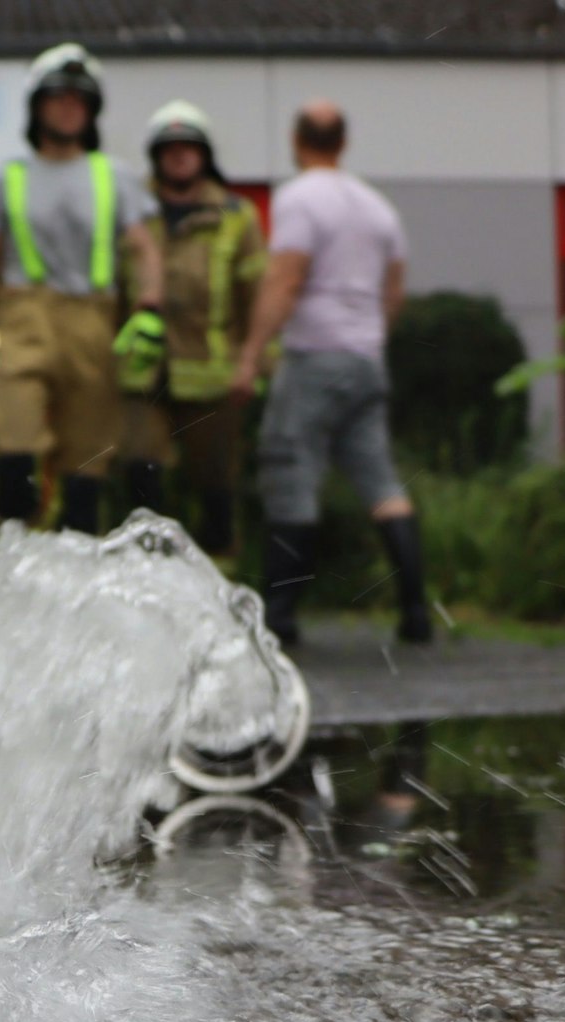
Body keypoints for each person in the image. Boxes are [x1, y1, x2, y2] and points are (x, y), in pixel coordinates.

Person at [234, 100, 431, 646]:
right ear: (343, 143)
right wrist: (368, 338)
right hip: (366, 361)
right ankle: (415, 612)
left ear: (296, 142)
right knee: (382, 482)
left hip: (313, 357)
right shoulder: (378, 207)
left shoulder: (298, 199)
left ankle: (280, 617)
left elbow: (285, 280)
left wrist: (251, 351)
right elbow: (394, 292)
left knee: (290, 472)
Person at [0, 42, 164, 534]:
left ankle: (77, 571)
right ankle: (13, 559)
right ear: (37, 107)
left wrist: (149, 309)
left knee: (87, 460)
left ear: (91, 112)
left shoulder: (113, 176)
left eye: (79, 100)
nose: (69, 107)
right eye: (58, 97)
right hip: (23, 317)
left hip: (92, 321)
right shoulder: (8, 178)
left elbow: (143, 249)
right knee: (14, 442)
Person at [116, 99, 268, 568]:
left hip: (212, 378)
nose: (179, 157)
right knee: (141, 475)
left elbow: (256, 296)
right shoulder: (133, 214)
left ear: (205, 156)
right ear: (155, 157)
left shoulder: (236, 216)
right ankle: (143, 582)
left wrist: (253, 363)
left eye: (189, 148)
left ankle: (220, 589)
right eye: (169, 149)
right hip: (142, 375)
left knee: (215, 488)